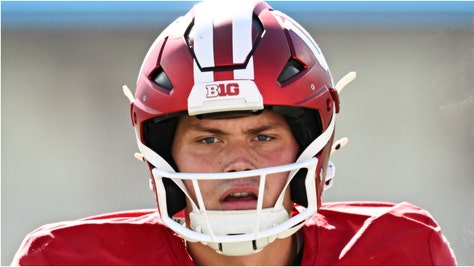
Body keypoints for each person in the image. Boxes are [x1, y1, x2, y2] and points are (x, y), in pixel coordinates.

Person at [12, 0, 456, 265]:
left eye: (263, 137)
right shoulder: (64, 261)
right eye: (209, 139)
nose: (238, 161)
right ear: (163, 153)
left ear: (312, 145)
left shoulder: (400, 251)